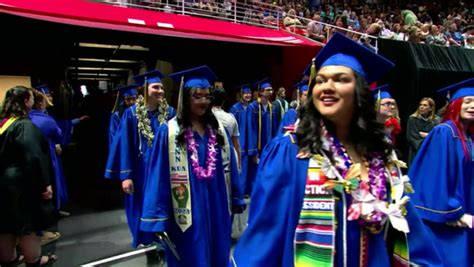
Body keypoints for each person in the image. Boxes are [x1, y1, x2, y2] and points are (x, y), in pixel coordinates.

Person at [232, 32, 443, 267]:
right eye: (320, 80)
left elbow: (405, 227)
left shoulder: (382, 157)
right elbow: (264, 236)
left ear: (360, 93)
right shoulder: (291, 152)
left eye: (341, 79)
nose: (327, 87)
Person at [140, 65, 245, 267]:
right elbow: (158, 176)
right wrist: (157, 215)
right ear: (185, 99)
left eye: (206, 96)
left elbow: (230, 164)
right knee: (190, 255)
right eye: (197, 96)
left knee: (218, 252)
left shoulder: (218, 130)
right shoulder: (169, 132)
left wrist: (236, 195)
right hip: (186, 210)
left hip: (217, 204)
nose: (203, 101)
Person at [105, 69, 175, 248]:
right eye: (156, 87)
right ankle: (145, 238)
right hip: (140, 169)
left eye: (162, 88)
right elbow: (124, 145)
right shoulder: (131, 114)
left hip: (164, 168)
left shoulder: (170, 113)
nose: (161, 91)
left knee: (163, 201)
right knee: (139, 203)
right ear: (144, 89)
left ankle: (164, 238)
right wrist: (125, 176)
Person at [409, 78, 474, 267]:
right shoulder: (444, 132)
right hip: (444, 220)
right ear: (455, 105)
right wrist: (452, 211)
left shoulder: (467, 137)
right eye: (467, 101)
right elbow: (432, 177)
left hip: (463, 214)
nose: (472, 106)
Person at [0, 86, 57, 266]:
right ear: (26, 101)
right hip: (21, 184)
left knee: (5, 224)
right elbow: (33, 156)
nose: (33, 101)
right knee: (27, 225)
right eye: (31, 98)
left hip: (2, 183)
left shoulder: (3, 123)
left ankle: (8, 258)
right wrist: (45, 184)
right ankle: (34, 259)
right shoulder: (24, 125)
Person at [29, 90, 65, 245]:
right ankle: (40, 233)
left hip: (21, 164)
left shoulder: (13, 120)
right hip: (44, 157)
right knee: (45, 189)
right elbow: (58, 135)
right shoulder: (44, 120)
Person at [246, 78, 277, 193]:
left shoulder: (272, 107)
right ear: (261, 92)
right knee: (255, 169)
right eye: (268, 89)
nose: (270, 91)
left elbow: (275, 128)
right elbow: (251, 129)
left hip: (268, 145)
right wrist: (253, 150)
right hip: (257, 145)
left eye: (271, 89)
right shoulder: (253, 107)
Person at [229, 84, 252, 195]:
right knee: (239, 166)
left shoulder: (252, 108)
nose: (248, 95)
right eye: (246, 93)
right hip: (239, 142)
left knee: (247, 167)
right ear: (241, 94)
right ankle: (239, 192)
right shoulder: (235, 109)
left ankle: (246, 190)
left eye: (249, 93)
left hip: (249, 142)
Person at [211, 87, 241, 168]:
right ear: (223, 101)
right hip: (228, 157)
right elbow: (236, 144)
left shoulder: (204, 118)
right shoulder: (231, 118)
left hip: (210, 157)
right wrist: (239, 163)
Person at [406, 97, 439, 165]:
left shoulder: (437, 121)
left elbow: (438, 137)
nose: (421, 107)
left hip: (431, 153)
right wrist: (430, 136)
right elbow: (412, 137)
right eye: (420, 105)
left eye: (425, 105)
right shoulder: (413, 119)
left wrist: (427, 135)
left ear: (431, 108)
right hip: (416, 152)